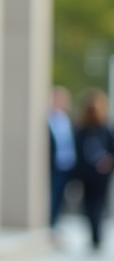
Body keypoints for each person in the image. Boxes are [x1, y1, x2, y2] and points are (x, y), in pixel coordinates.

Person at [73, 89, 114, 251]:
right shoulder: (82, 130)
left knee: (95, 204)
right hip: (89, 174)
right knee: (93, 204)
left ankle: (96, 235)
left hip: (100, 175)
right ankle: (95, 235)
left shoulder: (105, 129)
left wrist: (108, 162)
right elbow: (78, 152)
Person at [48, 86, 77, 231]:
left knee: (60, 195)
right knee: (52, 193)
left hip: (66, 164)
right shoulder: (49, 117)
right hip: (53, 164)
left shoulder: (66, 119)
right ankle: (50, 221)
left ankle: (55, 221)